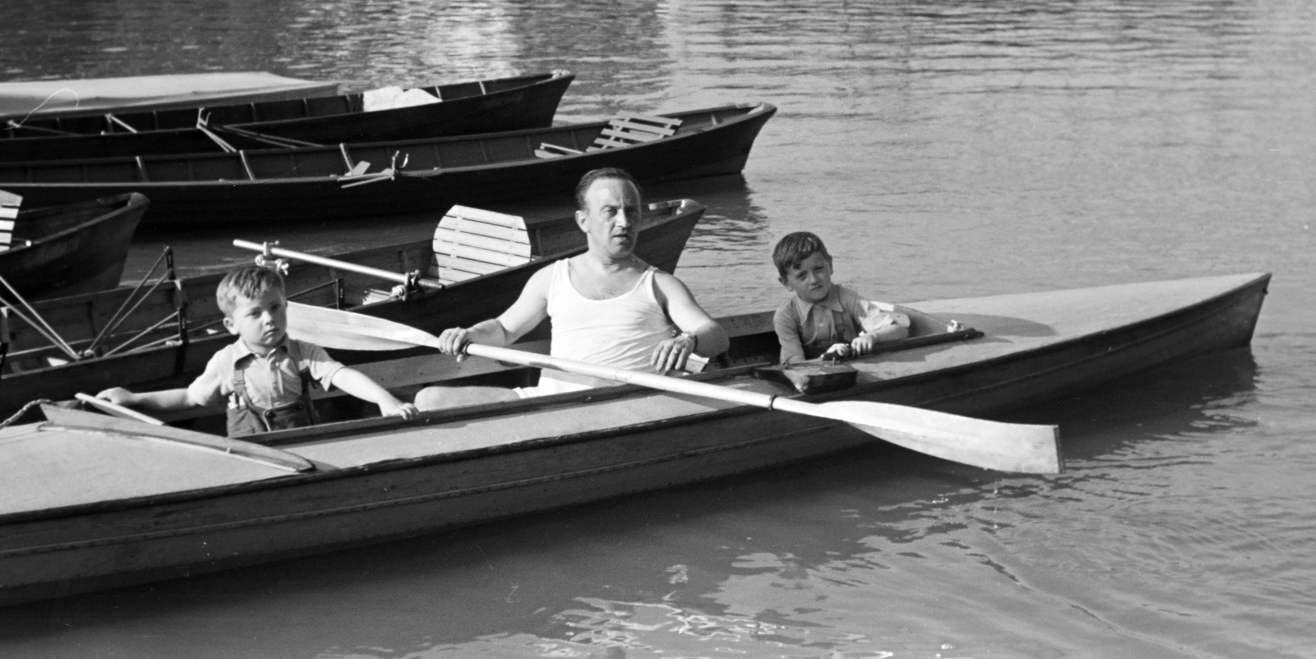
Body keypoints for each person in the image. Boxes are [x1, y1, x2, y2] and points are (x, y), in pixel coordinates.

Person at [415, 167, 729, 410]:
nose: (624, 221)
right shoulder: (551, 277)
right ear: (583, 221)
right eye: (610, 211)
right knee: (429, 400)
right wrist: (467, 334)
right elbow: (502, 330)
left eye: (631, 211)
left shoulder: (661, 284)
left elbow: (715, 335)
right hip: (545, 404)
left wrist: (689, 340)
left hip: (624, 407)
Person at [96, 263, 416, 436]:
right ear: (231, 325)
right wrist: (134, 399)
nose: (270, 319)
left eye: (276, 307)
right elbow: (190, 397)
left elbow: (343, 376)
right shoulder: (226, 362)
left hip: (309, 448)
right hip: (253, 455)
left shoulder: (303, 352)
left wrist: (384, 400)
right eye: (255, 313)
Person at [771, 231, 910, 365]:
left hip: (855, 371)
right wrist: (825, 359)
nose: (813, 280)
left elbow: (900, 330)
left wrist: (872, 336)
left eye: (818, 269)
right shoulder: (785, 316)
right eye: (802, 276)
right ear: (787, 283)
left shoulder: (848, 299)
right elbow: (794, 366)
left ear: (830, 265)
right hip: (813, 381)